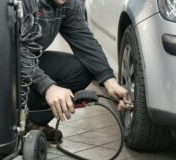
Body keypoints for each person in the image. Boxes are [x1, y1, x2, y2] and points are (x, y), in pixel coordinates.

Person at [22, 0, 131, 141]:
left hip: (27, 62)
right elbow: (11, 51)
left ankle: (31, 121)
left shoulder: (66, 3)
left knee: (83, 69)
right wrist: (48, 87)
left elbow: (84, 39)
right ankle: (6, 118)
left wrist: (110, 81)